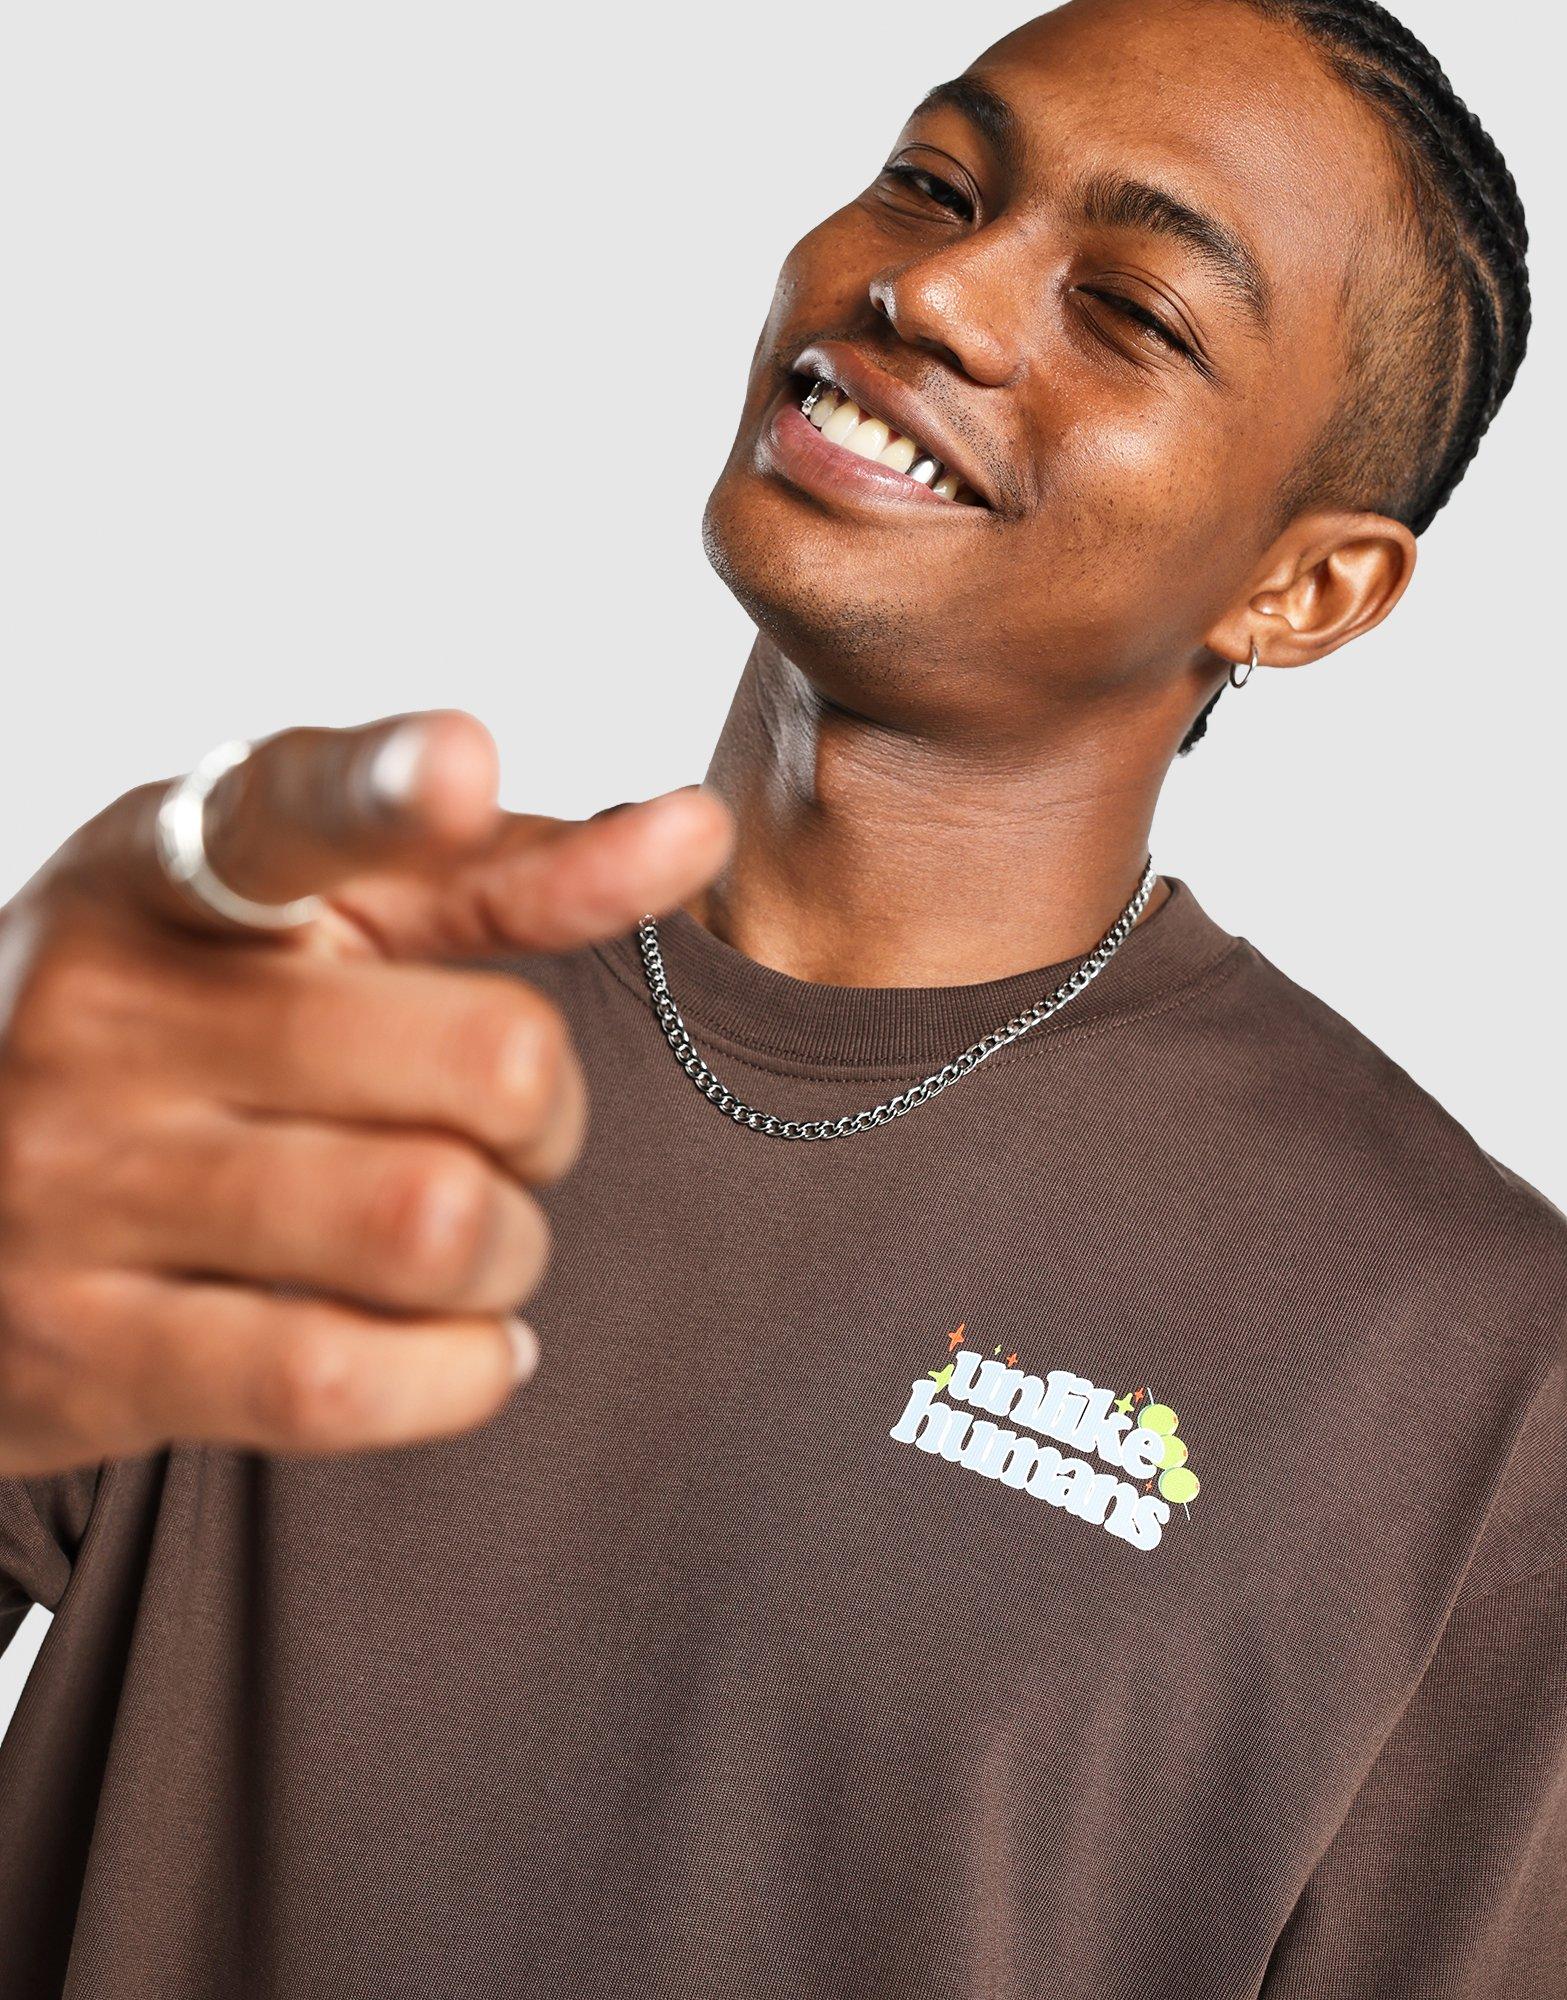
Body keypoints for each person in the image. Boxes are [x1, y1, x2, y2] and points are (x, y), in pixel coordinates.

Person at [0, 0, 1559, 1992]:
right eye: (934, 181)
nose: (937, 290)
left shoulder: (1476, 1379)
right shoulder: (318, 997)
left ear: (1305, 590)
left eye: (1132, 311)